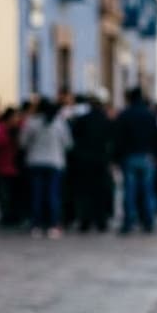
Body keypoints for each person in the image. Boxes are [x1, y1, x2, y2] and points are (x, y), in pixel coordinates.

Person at [114, 87, 157, 234]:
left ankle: (129, 221)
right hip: (147, 156)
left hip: (130, 156)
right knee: (147, 190)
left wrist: (117, 157)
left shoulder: (125, 114)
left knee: (129, 191)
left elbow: (119, 138)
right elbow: (156, 136)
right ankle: (148, 221)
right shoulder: (150, 114)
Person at [22, 98, 72, 238]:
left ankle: (36, 225)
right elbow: (68, 143)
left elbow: (23, 141)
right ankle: (53, 224)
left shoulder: (32, 122)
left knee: (37, 194)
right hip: (54, 162)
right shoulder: (59, 123)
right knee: (52, 194)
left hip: (35, 162)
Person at [70, 90, 115, 233]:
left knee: (85, 192)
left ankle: (85, 220)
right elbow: (111, 141)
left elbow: (74, 140)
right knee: (100, 191)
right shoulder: (106, 121)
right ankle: (101, 221)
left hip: (84, 161)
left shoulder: (82, 120)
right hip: (100, 161)